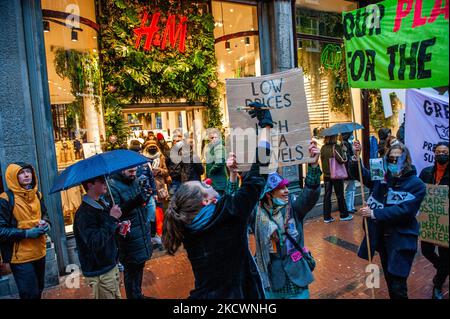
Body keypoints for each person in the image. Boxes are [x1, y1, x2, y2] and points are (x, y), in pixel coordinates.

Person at [162, 103, 273, 298]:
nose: (208, 182)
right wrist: (266, 126)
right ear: (206, 202)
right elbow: (259, 171)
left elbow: (228, 206)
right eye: (204, 186)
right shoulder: (229, 213)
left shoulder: (188, 228)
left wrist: (231, 175)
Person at [352, 142, 426, 299]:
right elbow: (362, 175)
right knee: (388, 278)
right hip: (382, 240)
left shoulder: (417, 185)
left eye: (398, 158)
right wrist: (355, 157)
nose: (394, 162)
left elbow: (405, 211)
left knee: (398, 284)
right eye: (391, 158)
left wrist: (375, 213)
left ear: (406, 160)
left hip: (401, 240)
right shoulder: (383, 178)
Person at [252, 142, 322, 299]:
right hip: (271, 279)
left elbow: (310, 193)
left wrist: (313, 166)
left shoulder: (293, 208)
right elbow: (237, 207)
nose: (287, 191)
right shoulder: (256, 214)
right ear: (269, 194)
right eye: (281, 188)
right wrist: (233, 177)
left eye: (286, 187)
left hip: (296, 277)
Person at [0, 163, 50, 299]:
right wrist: (26, 233)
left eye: (28, 171)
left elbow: (45, 215)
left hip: (39, 251)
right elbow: (1, 231)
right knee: (29, 294)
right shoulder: (5, 199)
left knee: (39, 290)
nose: (27, 175)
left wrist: (46, 224)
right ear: (12, 177)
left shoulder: (37, 195)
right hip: (20, 256)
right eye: (21, 173)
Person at [73, 176, 123, 299]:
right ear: (90, 185)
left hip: (109, 265)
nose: (106, 183)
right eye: (101, 181)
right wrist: (112, 220)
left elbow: (104, 232)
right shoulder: (84, 213)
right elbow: (94, 242)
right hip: (100, 271)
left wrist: (117, 227)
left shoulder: (100, 204)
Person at [108, 167, 153, 299]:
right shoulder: (113, 187)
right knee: (131, 271)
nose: (134, 174)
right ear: (122, 170)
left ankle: (138, 295)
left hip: (141, 230)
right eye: (131, 172)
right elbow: (116, 213)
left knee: (139, 266)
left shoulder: (134, 181)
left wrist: (145, 196)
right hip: (129, 236)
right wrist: (136, 201)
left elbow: (139, 205)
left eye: (135, 171)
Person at [418, 141, 449, 299]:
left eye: (444, 152)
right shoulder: (426, 172)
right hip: (429, 220)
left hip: (446, 222)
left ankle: (437, 284)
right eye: (438, 152)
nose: (441, 155)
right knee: (426, 250)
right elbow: (418, 190)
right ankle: (442, 267)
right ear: (434, 154)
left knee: (445, 256)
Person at [320, 134, 353, 223]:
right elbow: (342, 160)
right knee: (340, 195)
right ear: (334, 137)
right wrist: (345, 151)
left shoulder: (323, 147)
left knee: (327, 196)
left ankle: (327, 217)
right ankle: (344, 215)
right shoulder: (336, 147)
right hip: (336, 175)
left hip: (326, 175)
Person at [143, 139, 170, 208]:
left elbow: (166, 171)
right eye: (150, 147)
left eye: (154, 147)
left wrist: (159, 170)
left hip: (159, 187)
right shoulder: (143, 158)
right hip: (148, 186)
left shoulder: (161, 157)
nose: (152, 148)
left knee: (160, 208)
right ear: (147, 148)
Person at [204, 128, 228, 196]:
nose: (214, 139)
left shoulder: (219, 147)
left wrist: (210, 171)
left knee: (219, 201)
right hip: (215, 181)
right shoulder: (213, 147)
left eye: (215, 137)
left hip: (218, 182)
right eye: (212, 138)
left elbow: (219, 163)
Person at [341, 132, 357, 214]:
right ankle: (349, 207)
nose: (352, 136)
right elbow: (348, 156)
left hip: (349, 169)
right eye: (351, 134)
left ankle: (351, 206)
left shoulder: (347, 143)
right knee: (350, 189)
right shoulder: (345, 144)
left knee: (351, 188)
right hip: (348, 169)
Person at [167, 129, 184, 196]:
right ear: (173, 142)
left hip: (183, 178)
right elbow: (165, 164)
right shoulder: (169, 152)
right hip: (174, 179)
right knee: (174, 198)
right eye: (177, 141)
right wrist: (168, 176)